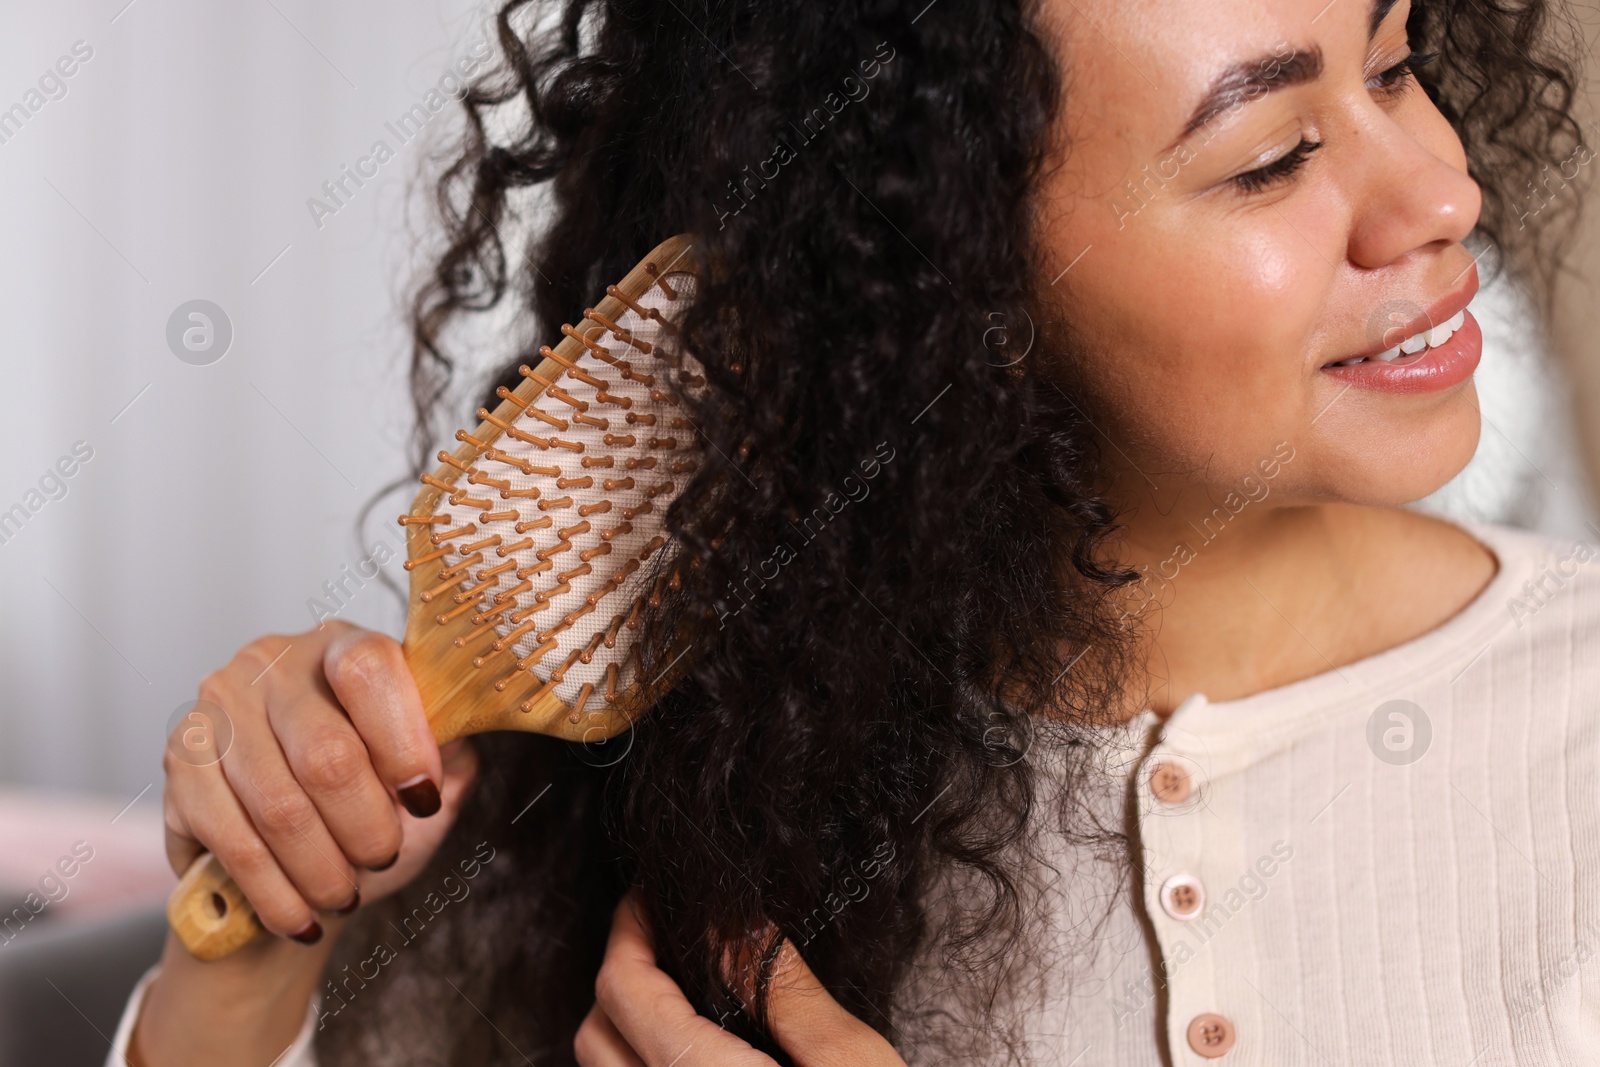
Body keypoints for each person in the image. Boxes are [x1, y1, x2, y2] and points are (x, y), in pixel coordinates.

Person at [115, 0, 1597, 1063]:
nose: (1444, 190)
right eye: (1271, 156)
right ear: (961, 281)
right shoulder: (724, 777)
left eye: (1395, 64)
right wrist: (238, 969)